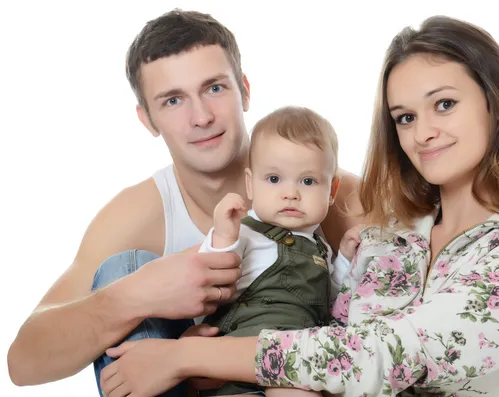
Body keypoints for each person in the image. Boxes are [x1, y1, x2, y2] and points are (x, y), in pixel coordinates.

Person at [97, 15, 499, 397]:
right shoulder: (390, 230)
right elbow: (325, 334)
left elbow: (382, 354)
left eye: (445, 104)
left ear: (494, 103)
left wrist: (186, 362)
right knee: (126, 278)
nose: (423, 132)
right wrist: (205, 358)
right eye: (405, 117)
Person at [6, 9, 364, 396]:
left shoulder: (324, 195)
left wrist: (187, 357)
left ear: (244, 89)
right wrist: (136, 294)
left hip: (296, 378)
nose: (202, 117)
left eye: (214, 88)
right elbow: (23, 363)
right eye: (173, 100)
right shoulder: (138, 214)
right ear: (148, 120)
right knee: (124, 269)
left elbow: (408, 338)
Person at [195, 105, 362, 396]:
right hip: (235, 356)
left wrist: (345, 260)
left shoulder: (320, 248)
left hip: (294, 361)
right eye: (274, 179)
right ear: (250, 184)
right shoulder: (244, 232)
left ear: (332, 191)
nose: (290, 193)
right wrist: (223, 235)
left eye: (307, 181)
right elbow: (209, 277)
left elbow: (332, 299)